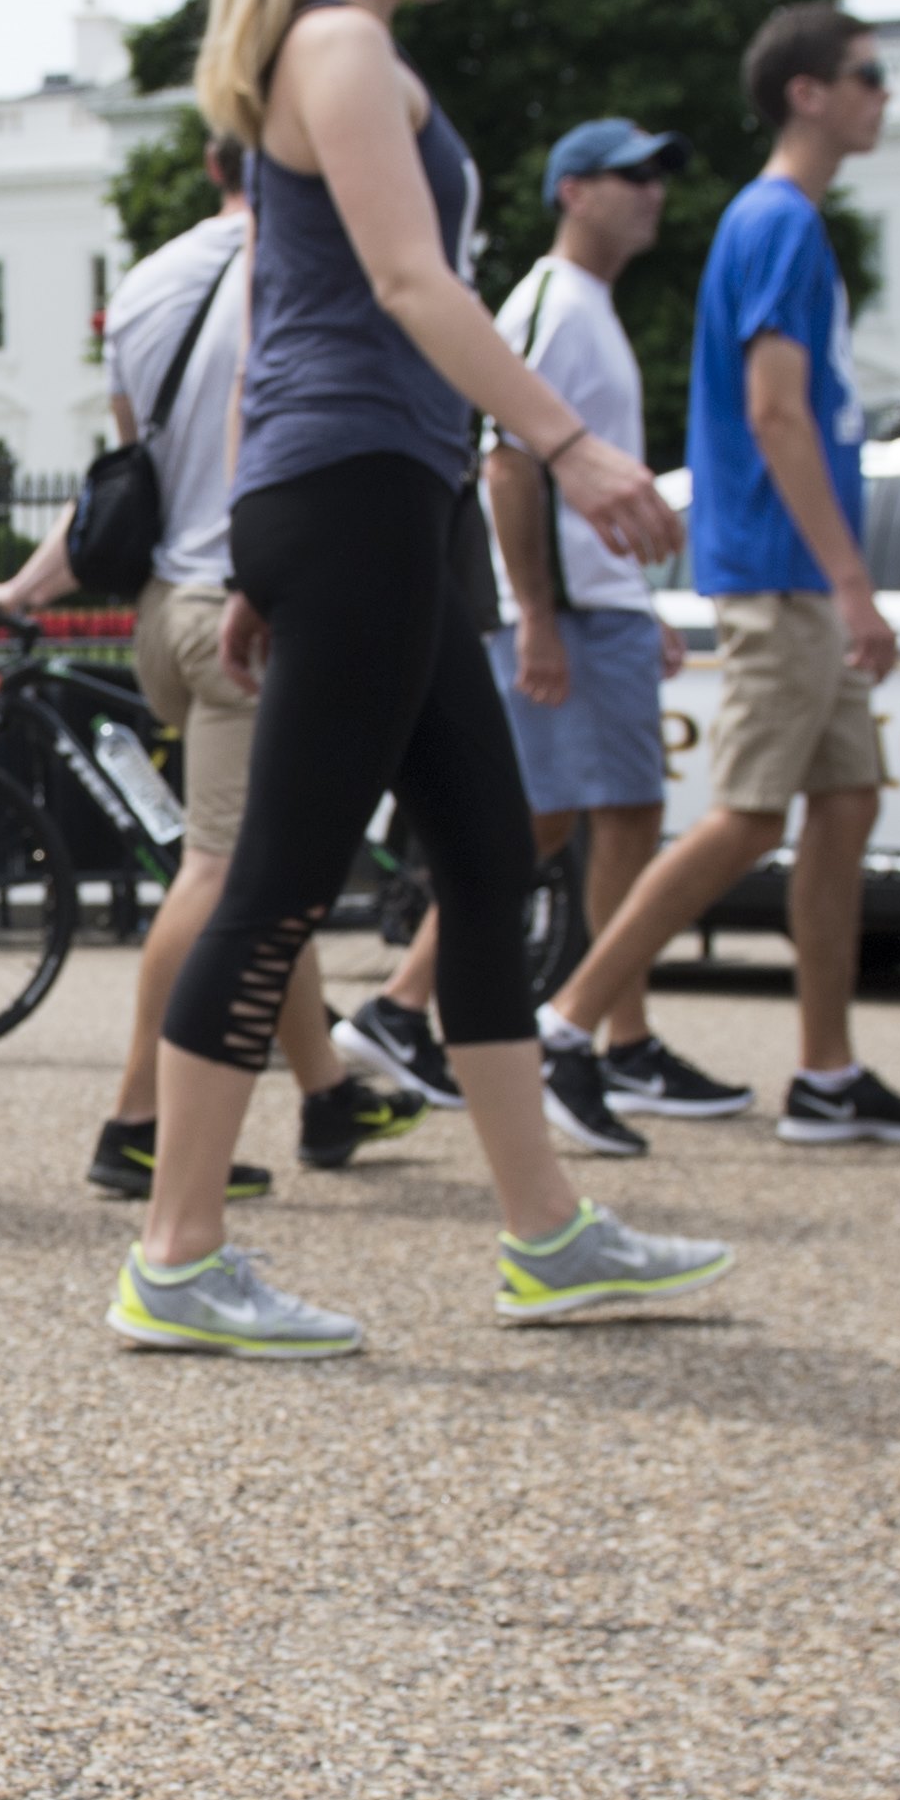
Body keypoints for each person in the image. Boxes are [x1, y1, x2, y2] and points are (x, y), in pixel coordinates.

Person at [113, 0, 731, 1353]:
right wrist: (572, 446)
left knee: (479, 857)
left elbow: (287, 318)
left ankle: (548, 1236)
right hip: (368, 493)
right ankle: (176, 1256)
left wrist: (262, 547)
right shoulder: (337, 48)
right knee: (277, 884)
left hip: (372, 497)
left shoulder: (321, 57)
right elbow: (401, 281)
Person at [511, 11, 900, 1145]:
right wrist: (850, 581)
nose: (881, 96)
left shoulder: (785, 224)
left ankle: (823, 1071)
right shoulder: (777, 223)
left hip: (794, 571)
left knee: (843, 803)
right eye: (867, 77)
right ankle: (565, 1029)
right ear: (806, 93)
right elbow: (774, 412)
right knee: (744, 817)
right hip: (782, 572)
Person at [0, 138, 405, 1193]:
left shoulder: (147, 285)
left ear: (211, 163)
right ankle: (134, 1126)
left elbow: (133, 483)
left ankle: (326, 1094)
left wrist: (21, 592)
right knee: (219, 875)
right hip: (239, 613)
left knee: (264, 864)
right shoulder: (308, 261)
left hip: (165, 610)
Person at [340, 115, 753, 1153]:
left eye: (658, 174)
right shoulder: (550, 305)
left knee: (555, 822)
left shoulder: (584, 308)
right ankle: (602, 1039)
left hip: (590, 607)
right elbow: (511, 462)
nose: (651, 191)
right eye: (629, 176)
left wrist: (629, 601)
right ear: (572, 189)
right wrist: (537, 616)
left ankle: (413, 1009)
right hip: (563, 615)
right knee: (611, 816)